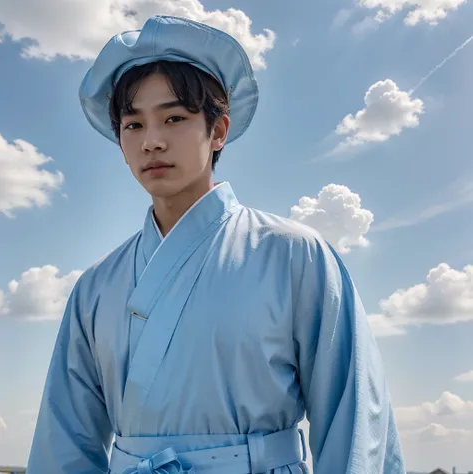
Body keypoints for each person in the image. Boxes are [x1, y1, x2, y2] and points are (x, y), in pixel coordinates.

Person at [27, 15, 405, 474]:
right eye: (132, 125)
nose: (152, 141)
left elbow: (354, 418)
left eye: (174, 118)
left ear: (219, 130)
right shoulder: (94, 287)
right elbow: (64, 441)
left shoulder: (294, 254)